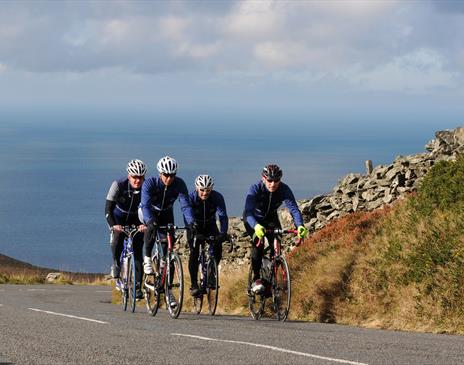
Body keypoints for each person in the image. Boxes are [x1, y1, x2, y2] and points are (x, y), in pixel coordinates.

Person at [243, 164, 308, 293]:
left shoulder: (284, 189)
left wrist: (300, 226)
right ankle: (256, 278)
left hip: (271, 219)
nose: (273, 184)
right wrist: (256, 226)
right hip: (253, 219)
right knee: (258, 243)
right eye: (270, 180)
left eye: (276, 181)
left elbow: (294, 209)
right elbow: (248, 211)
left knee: (277, 246)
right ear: (263, 178)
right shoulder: (255, 189)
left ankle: (271, 278)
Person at [140, 156, 195, 306]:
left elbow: (185, 206)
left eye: (172, 175)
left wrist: (190, 223)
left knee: (168, 252)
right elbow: (144, 205)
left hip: (166, 213)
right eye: (166, 175)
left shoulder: (179, 184)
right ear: (160, 173)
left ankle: (167, 290)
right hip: (149, 211)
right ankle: (147, 259)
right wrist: (149, 220)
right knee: (151, 228)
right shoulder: (150, 183)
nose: (169, 178)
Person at [105, 159, 147, 299]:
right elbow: (107, 209)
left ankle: (137, 287)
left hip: (137, 220)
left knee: (138, 251)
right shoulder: (118, 185)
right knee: (117, 237)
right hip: (118, 219)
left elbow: (149, 209)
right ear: (129, 175)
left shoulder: (146, 187)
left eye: (140, 177)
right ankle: (116, 264)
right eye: (135, 177)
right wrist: (113, 225)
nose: (137, 180)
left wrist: (145, 224)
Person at [187, 174, 228, 297]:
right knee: (194, 252)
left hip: (210, 225)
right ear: (196, 188)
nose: (205, 193)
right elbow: (187, 216)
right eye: (202, 190)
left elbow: (222, 216)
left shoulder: (217, 197)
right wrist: (194, 232)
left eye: (208, 190)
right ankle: (194, 284)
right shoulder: (191, 198)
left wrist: (223, 233)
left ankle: (211, 273)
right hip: (194, 227)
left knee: (218, 246)